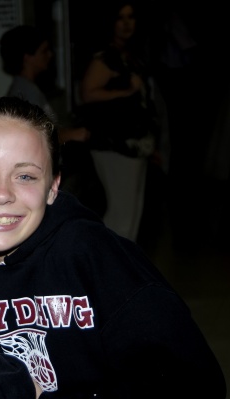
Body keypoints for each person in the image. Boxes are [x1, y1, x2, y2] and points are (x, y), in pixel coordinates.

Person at [0, 96, 226, 399]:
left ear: (53, 187)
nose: (2, 193)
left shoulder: (94, 255)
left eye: (25, 176)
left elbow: (195, 385)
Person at [1, 25, 107, 217]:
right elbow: (35, 135)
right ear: (28, 57)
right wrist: (73, 134)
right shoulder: (24, 92)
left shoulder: (31, 88)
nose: (49, 55)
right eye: (44, 51)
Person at [78, 1, 158, 241]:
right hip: (115, 144)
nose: (126, 23)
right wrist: (127, 91)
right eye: (120, 18)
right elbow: (88, 94)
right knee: (122, 214)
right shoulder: (106, 57)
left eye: (130, 17)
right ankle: (108, 262)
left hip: (134, 143)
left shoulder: (130, 55)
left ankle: (119, 261)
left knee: (131, 212)